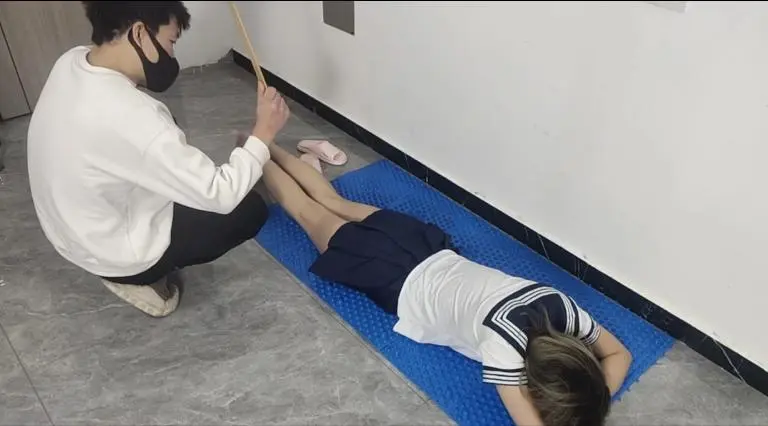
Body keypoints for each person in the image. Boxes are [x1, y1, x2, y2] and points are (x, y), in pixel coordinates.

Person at [258, 143, 633, 426]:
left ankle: (264, 143)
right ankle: (254, 151)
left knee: (329, 199)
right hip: (389, 274)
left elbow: (620, 355)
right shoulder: (502, 347)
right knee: (304, 210)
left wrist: (595, 396)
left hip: (420, 243)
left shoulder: (561, 306)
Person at [27, 2, 290, 318]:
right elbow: (221, 195)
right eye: (170, 42)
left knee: (173, 154)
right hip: (113, 252)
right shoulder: (133, 117)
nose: (171, 55)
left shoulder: (71, 61)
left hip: (70, 234)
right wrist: (264, 132)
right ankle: (138, 278)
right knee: (248, 210)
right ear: (139, 32)